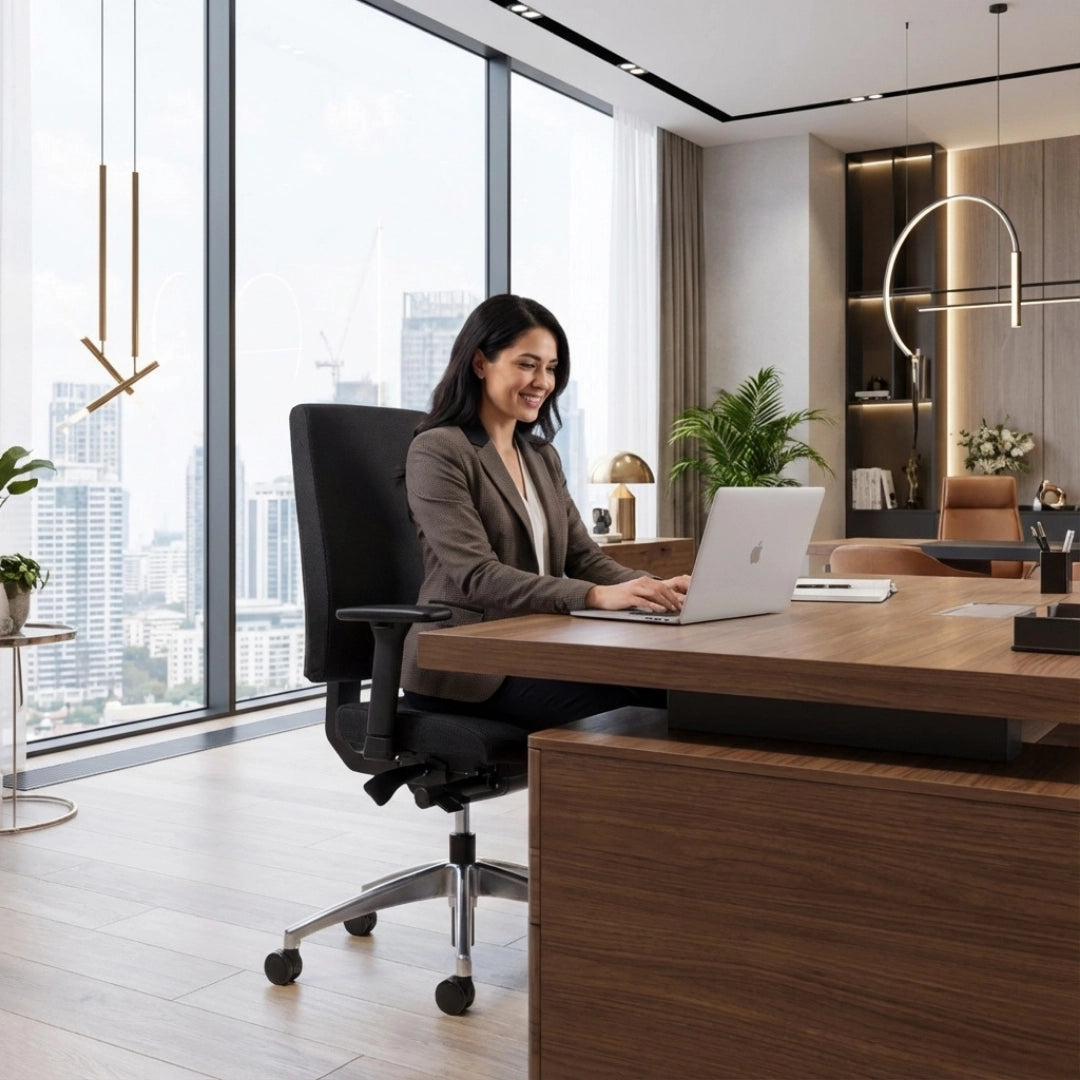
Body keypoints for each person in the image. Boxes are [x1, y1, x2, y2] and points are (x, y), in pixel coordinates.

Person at [401, 294, 690, 731]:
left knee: (674, 687)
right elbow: (478, 576)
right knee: (632, 706)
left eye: (551, 368)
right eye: (527, 364)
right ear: (480, 363)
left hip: (537, 644)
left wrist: (652, 589)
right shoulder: (439, 450)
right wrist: (594, 596)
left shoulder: (541, 456)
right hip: (466, 665)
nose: (543, 382)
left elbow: (584, 558)